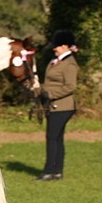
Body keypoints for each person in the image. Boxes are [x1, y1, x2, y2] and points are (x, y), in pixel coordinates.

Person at [38, 30, 79, 181]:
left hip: (62, 106)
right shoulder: (55, 61)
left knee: (52, 137)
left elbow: (70, 86)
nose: (54, 48)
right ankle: (56, 171)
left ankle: (49, 170)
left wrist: (50, 95)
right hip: (53, 105)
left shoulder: (69, 64)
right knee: (57, 138)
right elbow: (50, 82)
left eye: (56, 46)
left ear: (65, 46)